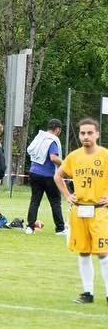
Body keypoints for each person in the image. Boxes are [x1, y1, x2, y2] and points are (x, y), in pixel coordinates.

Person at [54, 117, 108, 303]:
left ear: (97, 134)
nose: (86, 136)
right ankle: (88, 292)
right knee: (83, 251)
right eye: (83, 133)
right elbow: (58, 176)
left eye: (90, 133)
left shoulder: (105, 155)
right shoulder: (74, 156)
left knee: (103, 252)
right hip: (80, 210)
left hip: (100, 211)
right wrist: (68, 195)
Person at [25, 118, 66, 235]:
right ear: (58, 129)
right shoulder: (52, 140)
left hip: (33, 172)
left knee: (35, 200)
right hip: (48, 175)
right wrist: (66, 164)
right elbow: (53, 157)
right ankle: (60, 228)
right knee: (55, 201)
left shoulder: (39, 137)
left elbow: (30, 151)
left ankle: (30, 227)